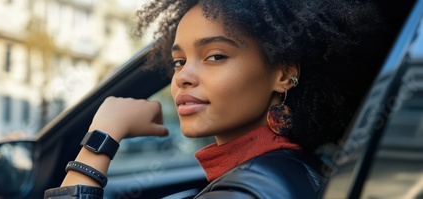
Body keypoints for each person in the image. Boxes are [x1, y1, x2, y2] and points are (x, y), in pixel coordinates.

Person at [45, 0, 382, 198]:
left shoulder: (245, 190)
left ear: (282, 75)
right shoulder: (294, 168)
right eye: (179, 61)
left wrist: (103, 134)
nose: (182, 76)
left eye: (216, 56)